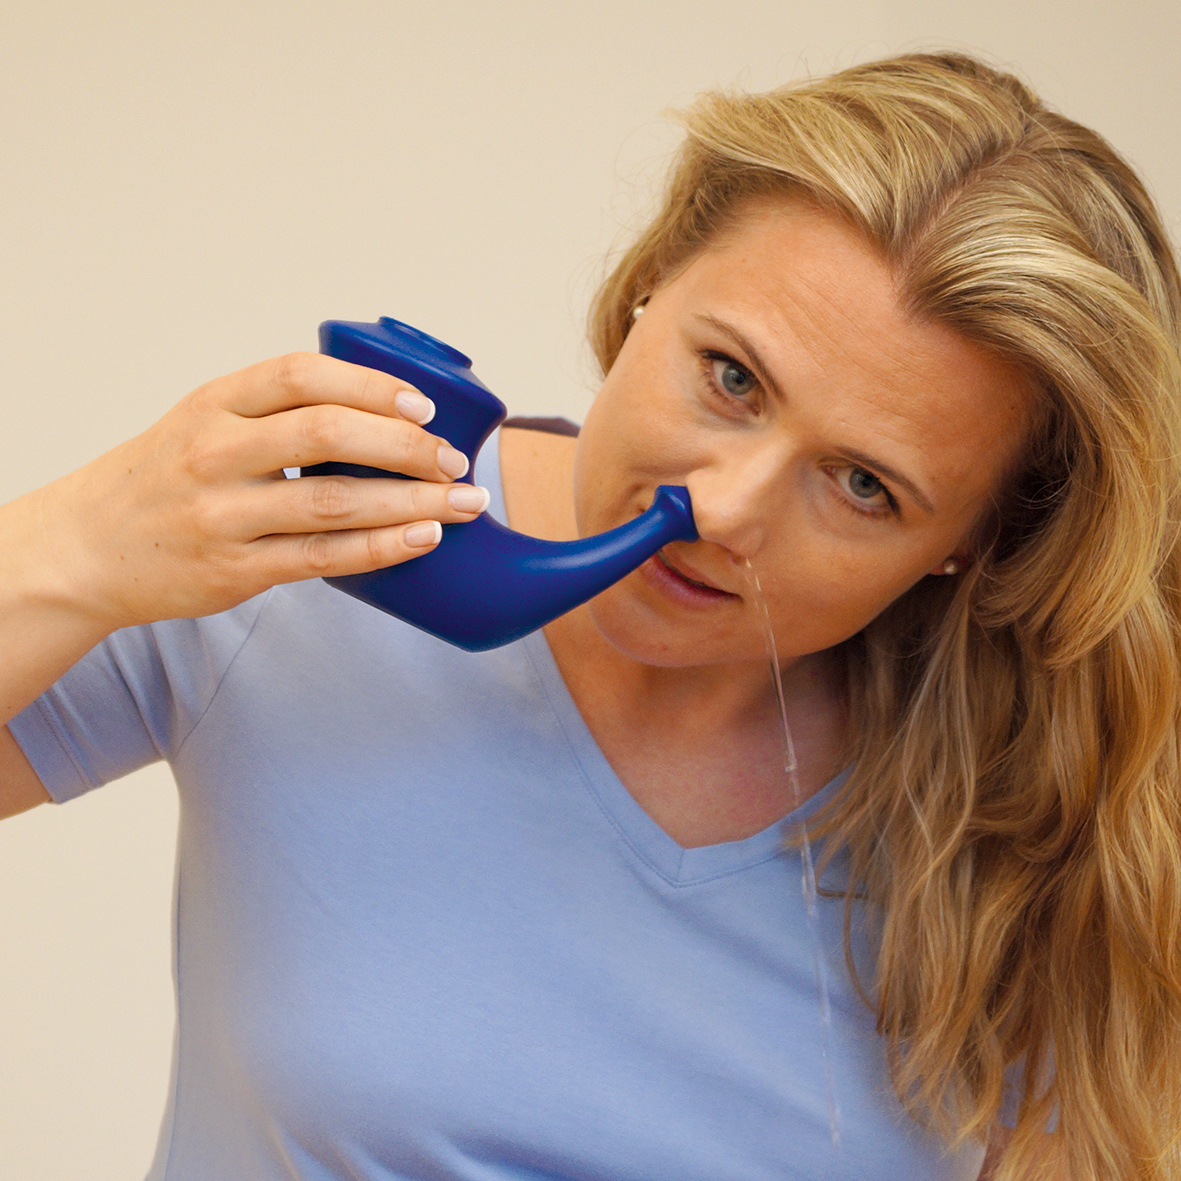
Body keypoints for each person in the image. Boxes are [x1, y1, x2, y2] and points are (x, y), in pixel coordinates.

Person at [1, 50, 1178, 1181]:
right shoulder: (337, 540)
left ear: (972, 546)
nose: (722, 509)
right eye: (730, 377)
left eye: (863, 484)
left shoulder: (1041, 811)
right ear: (648, 283)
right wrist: (85, 542)